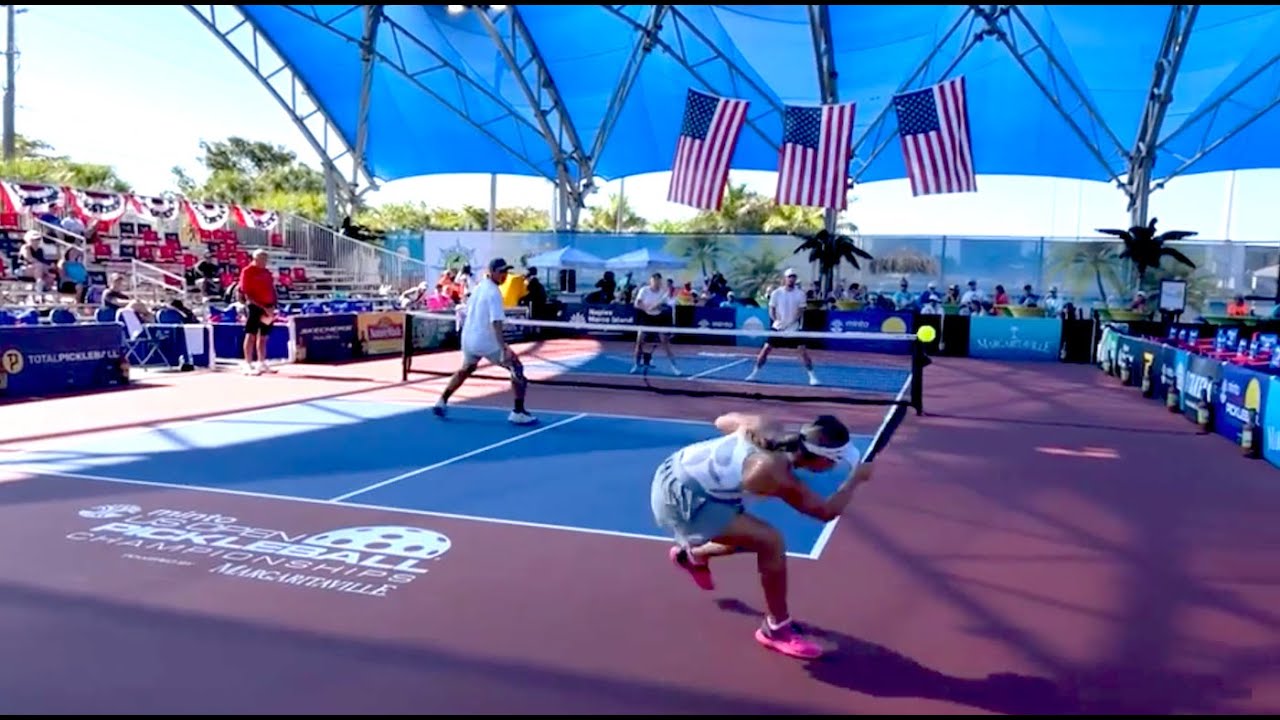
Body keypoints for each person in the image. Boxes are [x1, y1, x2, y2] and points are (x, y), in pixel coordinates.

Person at [650, 411, 874, 659]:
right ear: (820, 459)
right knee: (770, 542)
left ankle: (692, 557)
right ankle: (776, 629)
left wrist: (742, 436)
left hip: (674, 469)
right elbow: (825, 512)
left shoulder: (765, 425)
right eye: (835, 462)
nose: (834, 468)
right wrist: (855, 480)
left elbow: (721, 421)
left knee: (750, 533)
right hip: (684, 502)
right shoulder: (773, 474)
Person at [433, 257, 537, 425]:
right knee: (516, 367)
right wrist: (503, 348)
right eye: (501, 272)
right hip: (485, 341)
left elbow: (468, 311)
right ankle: (518, 411)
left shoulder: (480, 287)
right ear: (492, 272)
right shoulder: (494, 292)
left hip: (469, 338)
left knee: (466, 369)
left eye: (506, 271)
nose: (504, 275)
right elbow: (496, 322)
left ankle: (442, 401)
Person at [745, 268, 819, 386]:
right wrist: (777, 321)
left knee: (803, 352)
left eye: (793, 277)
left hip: (793, 329)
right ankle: (754, 374)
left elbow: (800, 311)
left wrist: (790, 323)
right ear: (785, 278)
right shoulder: (776, 293)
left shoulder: (800, 294)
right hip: (778, 328)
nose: (791, 279)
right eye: (789, 276)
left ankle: (812, 377)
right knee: (765, 350)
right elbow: (771, 309)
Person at [631, 272, 681, 375]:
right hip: (646, 317)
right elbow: (637, 304)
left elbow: (667, 306)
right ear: (651, 281)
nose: (656, 282)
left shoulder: (663, 292)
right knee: (639, 342)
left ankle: (674, 367)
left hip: (659, 318)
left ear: (660, 281)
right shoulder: (644, 290)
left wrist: (659, 307)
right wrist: (647, 309)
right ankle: (636, 364)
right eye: (654, 280)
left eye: (658, 280)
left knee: (665, 343)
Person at [238, 249, 278, 375]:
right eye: (262, 259)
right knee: (251, 335)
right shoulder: (247, 271)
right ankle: (248, 364)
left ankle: (261, 363)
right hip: (254, 307)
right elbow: (247, 294)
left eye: (266, 259)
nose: (264, 261)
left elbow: (271, 289)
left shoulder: (266, 272)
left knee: (264, 337)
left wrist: (272, 306)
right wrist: (262, 307)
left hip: (268, 307)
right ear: (255, 259)